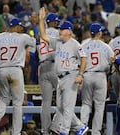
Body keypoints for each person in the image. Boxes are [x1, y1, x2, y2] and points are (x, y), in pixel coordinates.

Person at [39, 7, 88, 135]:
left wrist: (80, 75)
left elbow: (84, 59)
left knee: (67, 107)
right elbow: (43, 36)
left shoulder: (75, 44)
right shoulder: (58, 42)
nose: (59, 31)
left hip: (71, 76)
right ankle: (79, 127)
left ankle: (64, 131)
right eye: (60, 28)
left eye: (62, 29)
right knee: (60, 107)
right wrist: (41, 20)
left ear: (69, 31)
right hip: (60, 78)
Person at [0, 17, 36, 135]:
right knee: (17, 104)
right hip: (15, 70)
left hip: (2, 70)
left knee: (4, 99)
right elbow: (36, 42)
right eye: (20, 26)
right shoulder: (23, 37)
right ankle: (16, 132)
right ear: (16, 26)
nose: (21, 29)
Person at [80, 23, 114, 135]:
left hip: (87, 75)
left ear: (90, 33)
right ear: (99, 33)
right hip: (101, 76)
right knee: (99, 105)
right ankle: (96, 132)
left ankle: (83, 127)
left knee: (86, 103)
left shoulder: (83, 46)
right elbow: (112, 65)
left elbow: (79, 62)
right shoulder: (106, 46)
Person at [37, 13, 59, 135]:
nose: (57, 23)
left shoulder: (42, 33)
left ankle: (45, 130)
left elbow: (37, 51)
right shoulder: (58, 33)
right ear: (52, 22)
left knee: (45, 102)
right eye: (56, 21)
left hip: (42, 66)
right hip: (54, 66)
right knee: (63, 99)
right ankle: (56, 126)